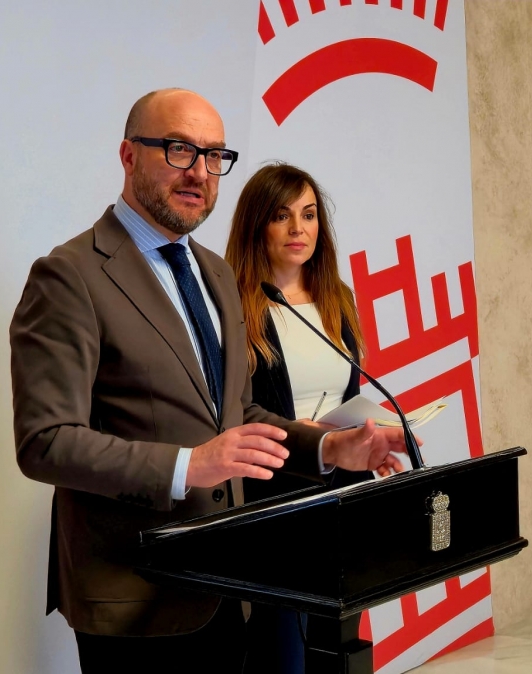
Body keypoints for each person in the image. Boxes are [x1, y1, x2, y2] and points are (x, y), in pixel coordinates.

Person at [9, 89, 410, 674]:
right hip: (135, 594)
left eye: (214, 155)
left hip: (230, 583)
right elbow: (45, 442)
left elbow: (237, 414)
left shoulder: (216, 274)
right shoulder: (70, 276)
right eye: (178, 150)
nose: (199, 171)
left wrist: (328, 446)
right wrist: (187, 466)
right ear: (127, 155)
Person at [226, 162, 380, 673]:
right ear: (256, 226)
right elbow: (238, 411)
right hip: (280, 498)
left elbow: (349, 392)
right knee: (283, 654)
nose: (299, 230)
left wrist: (367, 439)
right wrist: (313, 440)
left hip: (342, 495)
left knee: (337, 649)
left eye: (310, 215)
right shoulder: (235, 308)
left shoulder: (338, 298)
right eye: (282, 216)